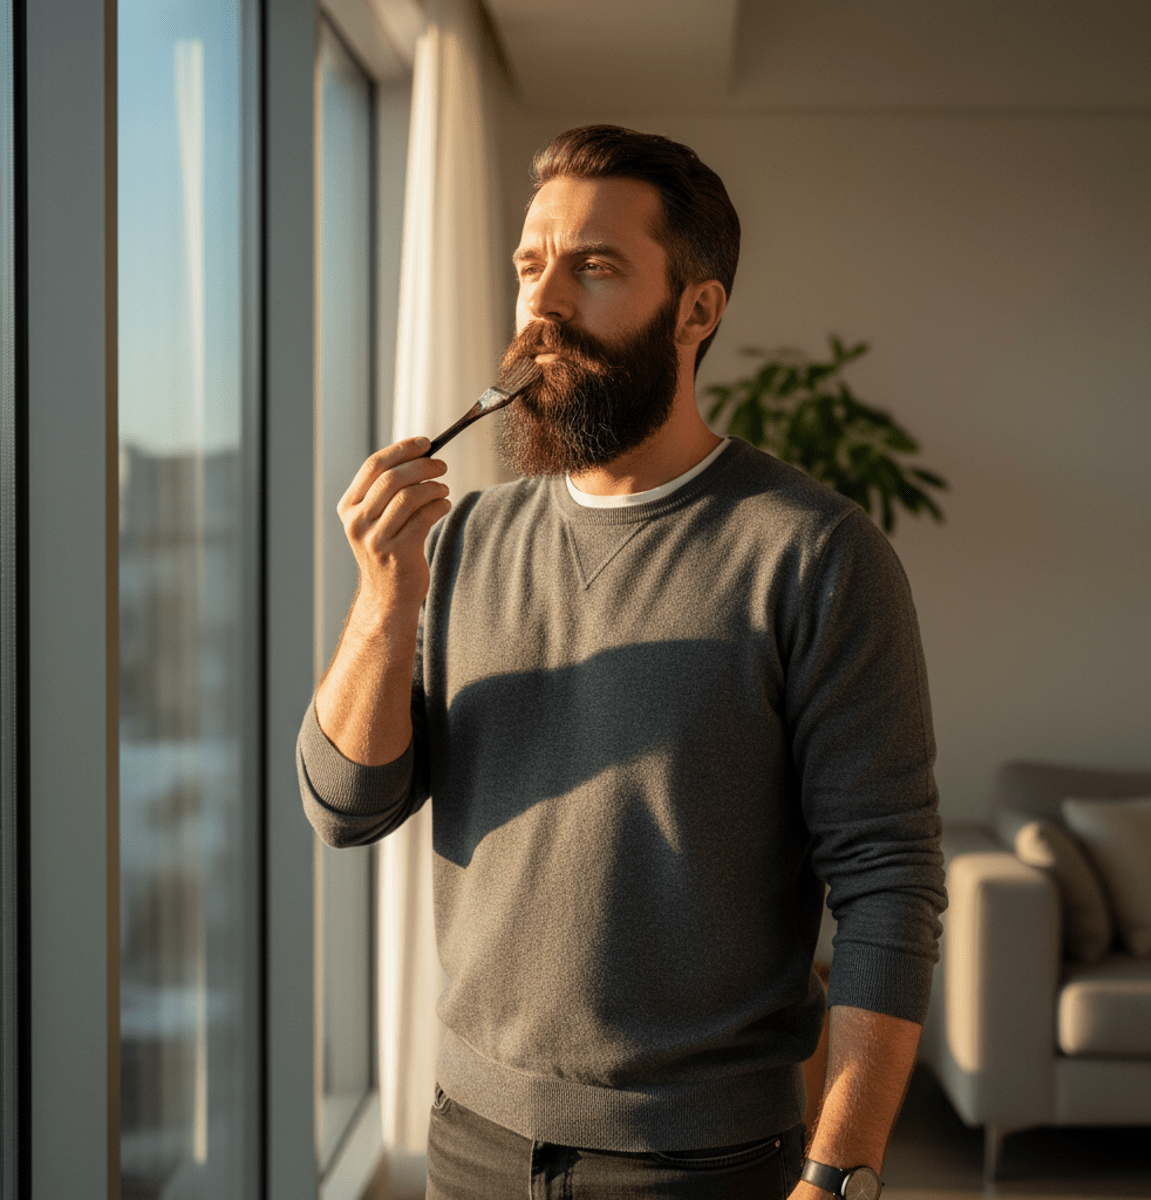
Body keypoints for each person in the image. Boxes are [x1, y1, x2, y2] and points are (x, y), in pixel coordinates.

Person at [298, 125, 946, 1200]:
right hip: (468, 1142)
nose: (544, 302)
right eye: (530, 266)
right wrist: (383, 597)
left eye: (594, 267)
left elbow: (889, 880)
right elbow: (343, 806)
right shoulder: (463, 541)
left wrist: (841, 1176)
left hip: (705, 1163)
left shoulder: (815, 553)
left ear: (697, 311)